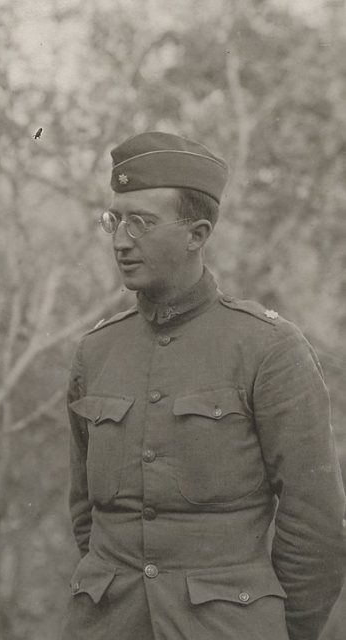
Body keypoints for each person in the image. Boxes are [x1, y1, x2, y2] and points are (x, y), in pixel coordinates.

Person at [62, 131, 346, 640]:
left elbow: (316, 526)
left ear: (197, 233)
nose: (121, 240)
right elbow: (86, 510)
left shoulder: (269, 349)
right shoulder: (97, 351)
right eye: (115, 220)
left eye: (141, 222)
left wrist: (275, 630)